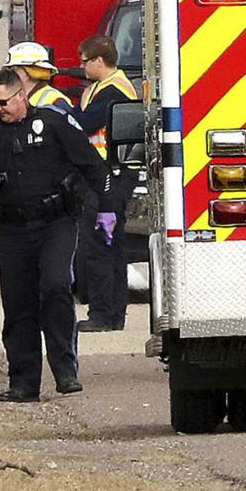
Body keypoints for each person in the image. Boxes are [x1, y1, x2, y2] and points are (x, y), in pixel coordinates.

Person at [0, 68, 115, 402]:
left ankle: (65, 370)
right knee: (18, 304)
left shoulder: (52, 122)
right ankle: (24, 382)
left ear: (21, 96)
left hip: (55, 222)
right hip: (11, 228)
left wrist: (108, 207)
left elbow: (93, 165)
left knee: (56, 286)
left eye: (3, 102)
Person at [72, 34, 138, 332]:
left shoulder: (113, 92)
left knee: (99, 246)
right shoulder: (104, 87)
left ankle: (102, 314)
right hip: (110, 175)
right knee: (111, 247)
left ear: (99, 61)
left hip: (109, 178)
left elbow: (85, 124)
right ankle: (112, 315)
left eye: (85, 61)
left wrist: (64, 113)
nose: (81, 67)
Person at [5, 40, 72, 113]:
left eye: (12, 69)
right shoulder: (20, 97)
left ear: (28, 72)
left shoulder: (56, 101)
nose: (9, 74)